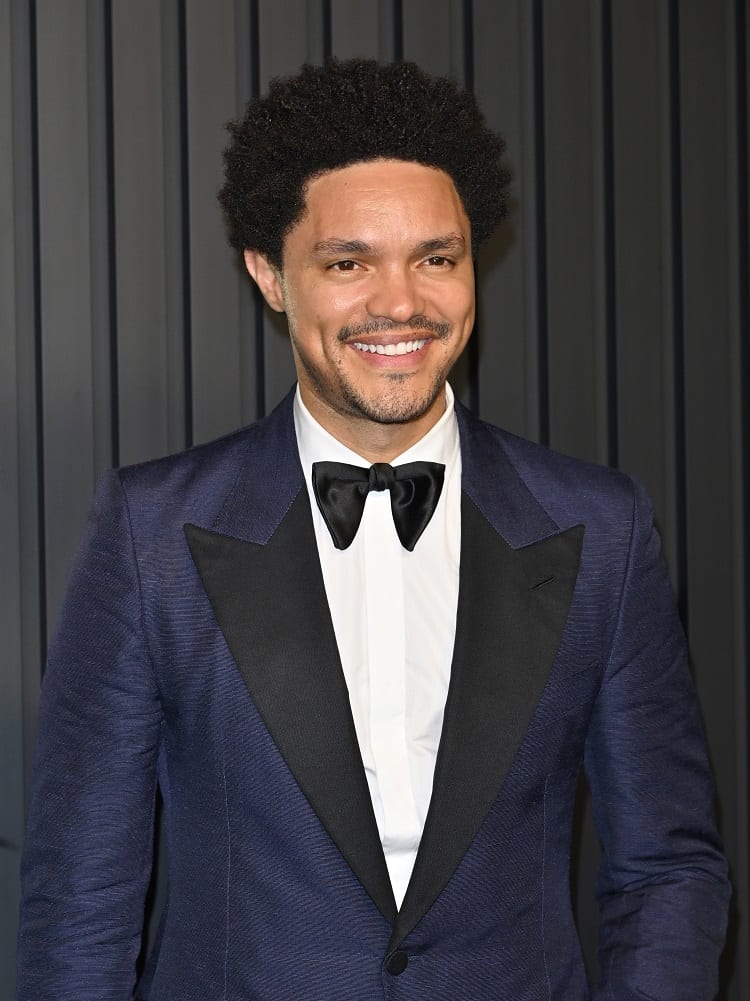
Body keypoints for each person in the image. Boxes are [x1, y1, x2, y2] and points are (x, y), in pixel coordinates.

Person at [17, 59, 729, 1000]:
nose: (401, 303)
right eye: (348, 262)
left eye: (436, 257)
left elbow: (668, 869)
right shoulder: (152, 535)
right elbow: (79, 898)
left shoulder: (602, 528)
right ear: (270, 274)